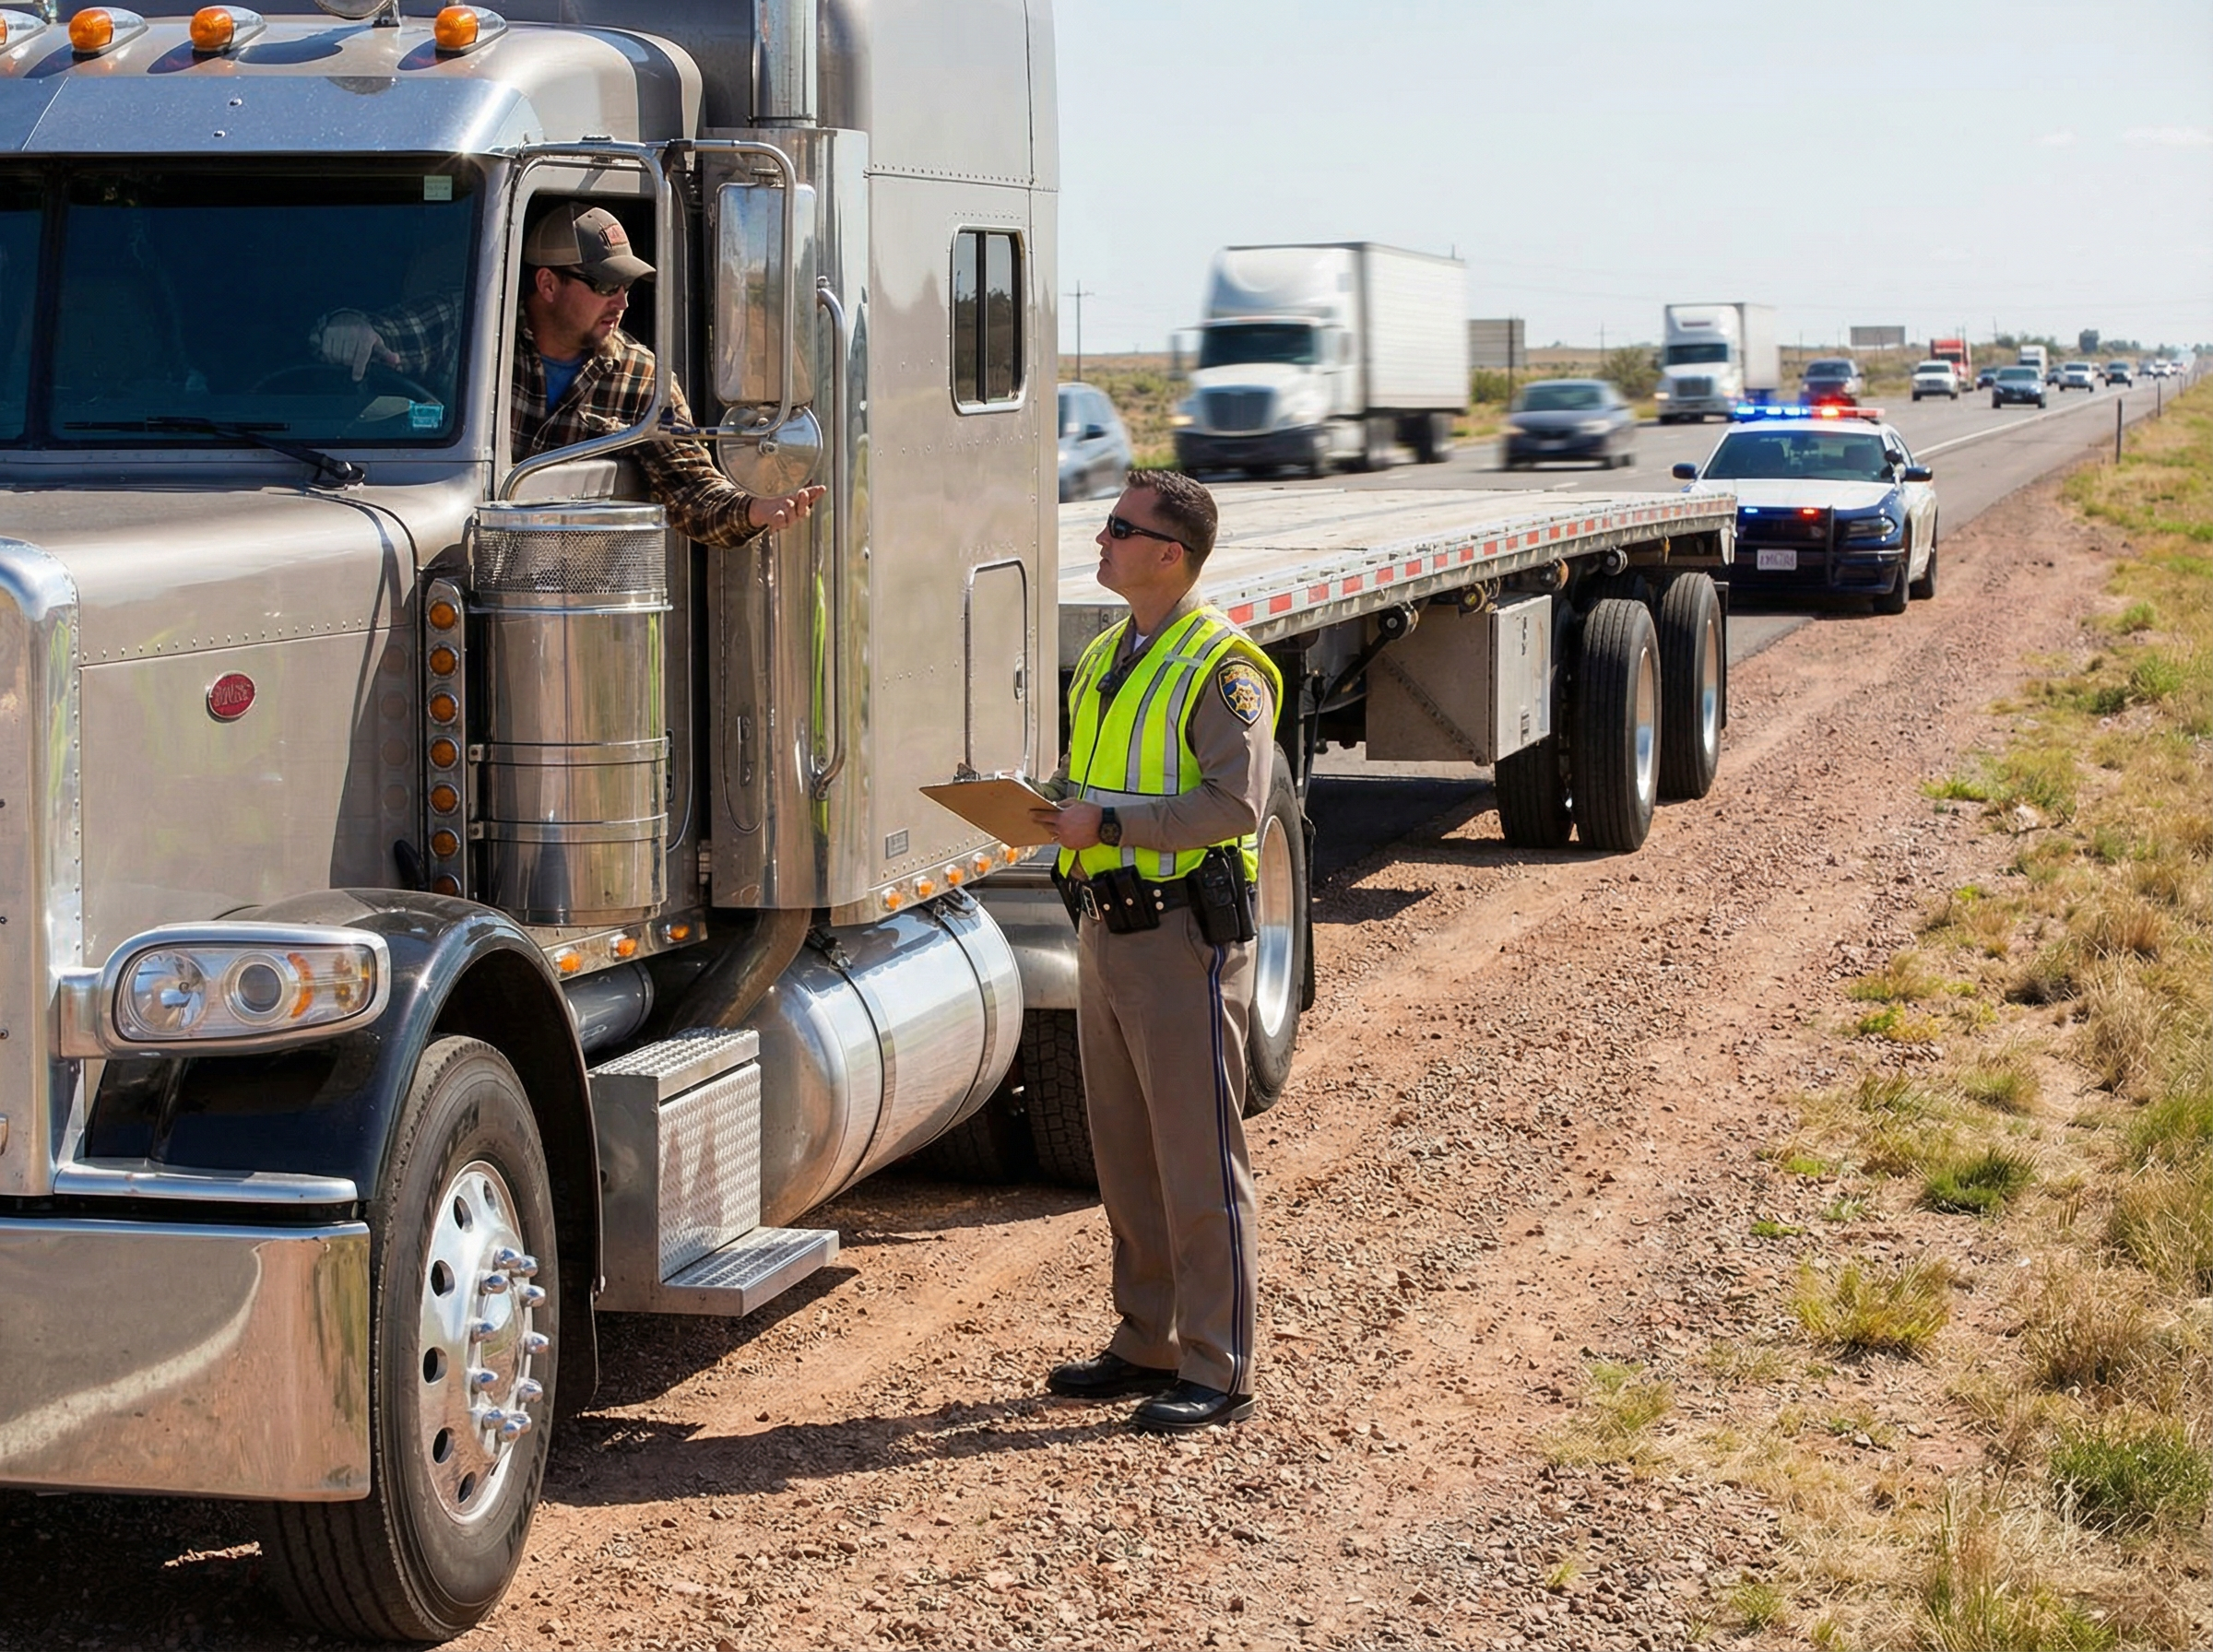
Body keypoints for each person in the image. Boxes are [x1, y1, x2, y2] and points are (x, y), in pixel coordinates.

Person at [1031, 469, 1282, 1435]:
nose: (1101, 538)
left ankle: (1219, 1367)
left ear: (1169, 554)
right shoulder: (1107, 652)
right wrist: (1046, 803)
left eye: (1120, 528)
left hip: (1180, 934)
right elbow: (1091, 773)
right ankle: (1147, 1339)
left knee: (1198, 1156)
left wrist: (1111, 822)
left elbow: (1233, 805)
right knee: (1127, 1149)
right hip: (1107, 924)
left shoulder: (1222, 667)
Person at [312, 201, 822, 545]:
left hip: (557, 602)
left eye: (628, 286)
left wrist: (757, 509)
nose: (622, 301)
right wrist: (347, 330)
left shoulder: (640, 375)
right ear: (547, 284)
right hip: (451, 563)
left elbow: (691, 491)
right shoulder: (469, 327)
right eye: (605, 284)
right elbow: (379, 333)